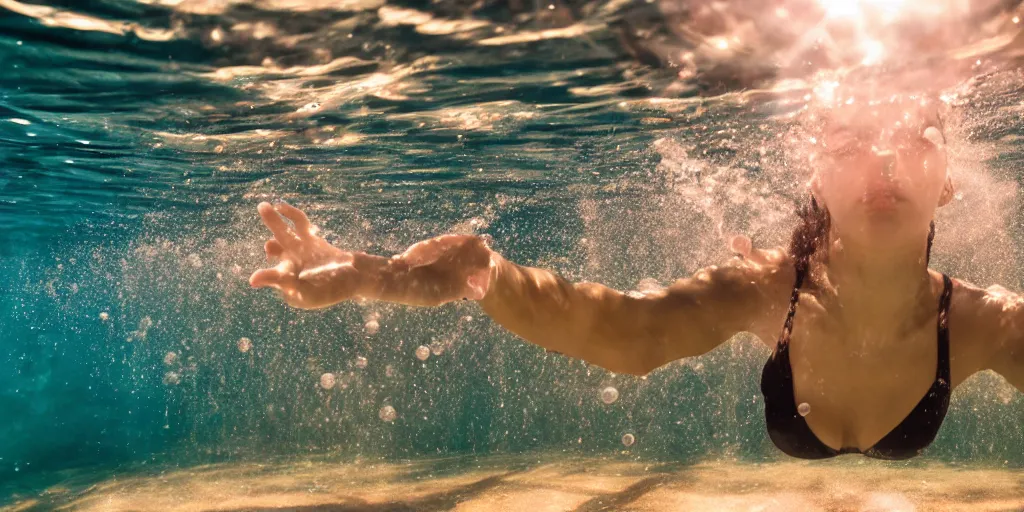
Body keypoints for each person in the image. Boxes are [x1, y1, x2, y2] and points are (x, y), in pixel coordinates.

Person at [248, 95, 1023, 460]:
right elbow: (629, 334)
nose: (883, 163)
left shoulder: (990, 324)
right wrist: (442, 273)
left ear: (948, 178)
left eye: (913, 138)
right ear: (816, 179)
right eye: (851, 140)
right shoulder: (764, 290)